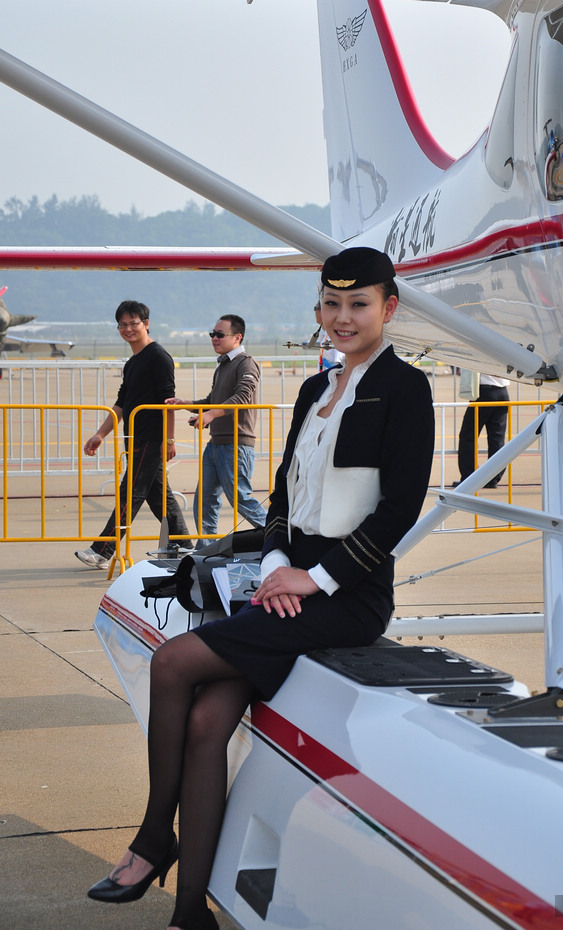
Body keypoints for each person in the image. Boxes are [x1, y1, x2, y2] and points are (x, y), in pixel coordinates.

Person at [85, 248, 436, 930]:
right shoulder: (314, 390)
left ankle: (155, 838)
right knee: (206, 722)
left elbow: (397, 511)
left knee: (173, 663)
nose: (342, 317)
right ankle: (190, 912)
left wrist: (315, 578)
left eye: (358, 304)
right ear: (318, 309)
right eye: (331, 304)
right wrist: (278, 565)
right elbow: (279, 498)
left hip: (349, 594)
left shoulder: (405, 389)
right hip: (286, 584)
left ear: (389, 308)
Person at [75, 300, 192, 570]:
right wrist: (100, 434)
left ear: (146, 324)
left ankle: (102, 550)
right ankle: (185, 548)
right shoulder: (133, 362)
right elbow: (121, 403)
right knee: (160, 498)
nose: (128, 329)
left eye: (133, 323)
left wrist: (169, 440)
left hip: (152, 438)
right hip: (135, 438)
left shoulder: (158, 357)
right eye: (123, 325)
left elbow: (168, 402)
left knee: (131, 493)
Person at [166, 315, 267, 548]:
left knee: (240, 498)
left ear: (237, 337)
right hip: (216, 444)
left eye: (220, 334)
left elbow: (242, 397)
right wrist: (185, 403)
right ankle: (207, 549)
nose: (214, 338)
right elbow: (213, 401)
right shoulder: (223, 364)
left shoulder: (246, 363)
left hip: (236, 445)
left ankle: (278, 535)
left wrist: (210, 415)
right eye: (212, 334)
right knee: (205, 501)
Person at [454, 373, 510, 488]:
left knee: (468, 436)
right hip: (502, 391)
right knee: (497, 438)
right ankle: (493, 478)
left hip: (484, 391)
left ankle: (469, 477)